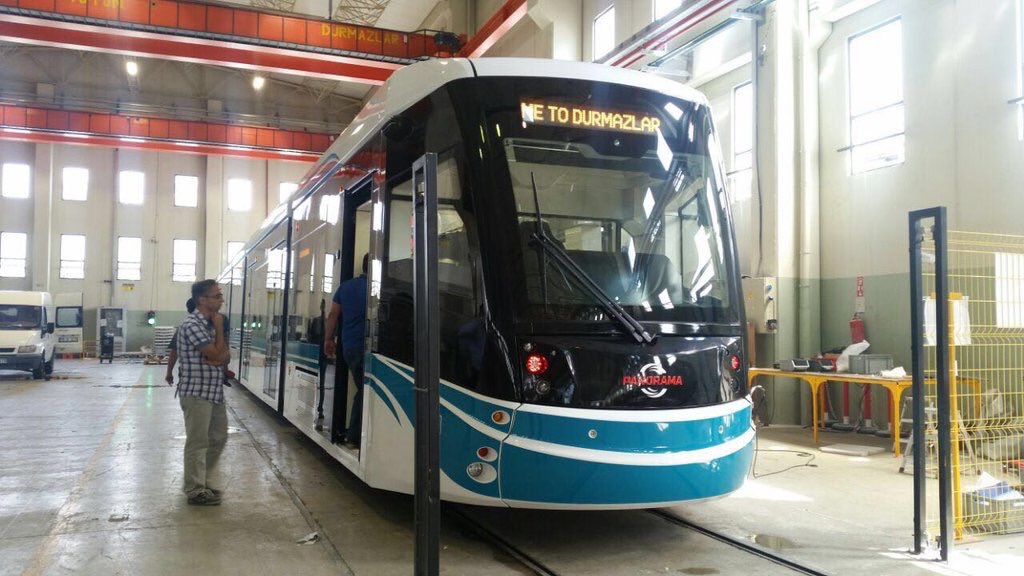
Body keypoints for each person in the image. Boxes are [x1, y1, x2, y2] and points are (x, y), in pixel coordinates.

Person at [176, 280, 231, 506]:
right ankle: (195, 489)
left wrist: (218, 351)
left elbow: (225, 356)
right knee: (198, 442)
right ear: (202, 299)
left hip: (214, 392)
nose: (221, 300)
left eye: (220, 296)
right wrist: (219, 335)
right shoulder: (192, 324)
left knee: (218, 437)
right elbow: (216, 354)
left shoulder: (210, 324)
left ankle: (200, 481)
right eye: (217, 296)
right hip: (197, 393)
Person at [324, 254, 368, 449]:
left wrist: (328, 339)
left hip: (349, 346)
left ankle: (356, 435)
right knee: (366, 390)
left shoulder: (346, 287)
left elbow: (333, 314)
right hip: (365, 348)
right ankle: (354, 436)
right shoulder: (376, 288)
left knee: (363, 388)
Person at [164, 298, 196, 386]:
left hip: (186, 376)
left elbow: (174, 352)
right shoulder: (212, 327)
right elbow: (174, 352)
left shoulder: (183, 327)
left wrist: (169, 372)